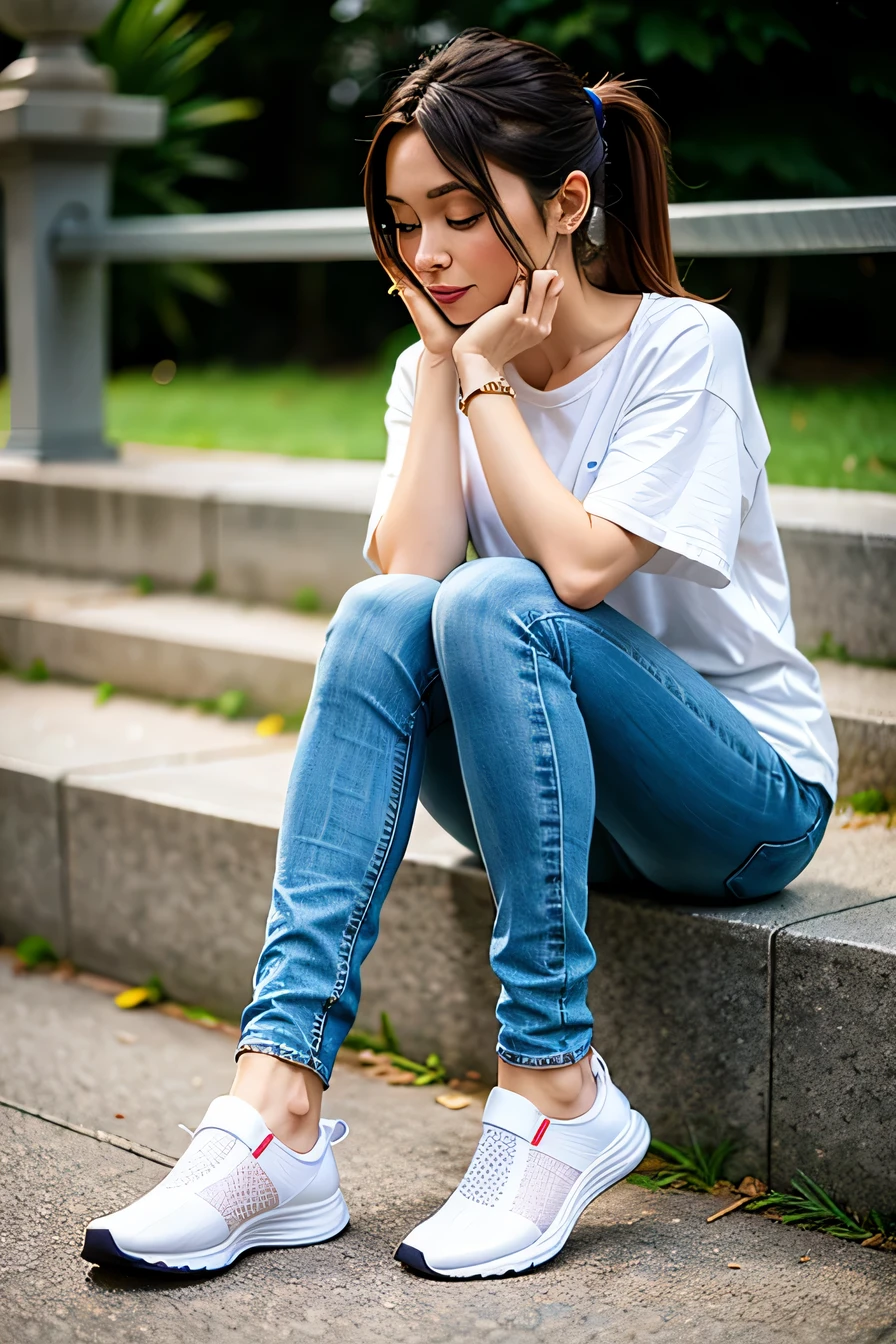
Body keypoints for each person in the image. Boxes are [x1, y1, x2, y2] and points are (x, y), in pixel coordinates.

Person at [80, 27, 837, 1281]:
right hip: (552, 797)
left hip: (740, 804)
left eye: (458, 215)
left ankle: (554, 1084)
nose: (425, 256)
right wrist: (446, 368)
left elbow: (582, 570)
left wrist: (485, 381)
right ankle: (276, 1110)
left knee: (500, 600)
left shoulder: (678, 350)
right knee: (388, 611)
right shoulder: (431, 359)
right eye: (401, 222)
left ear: (567, 203)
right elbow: (405, 581)